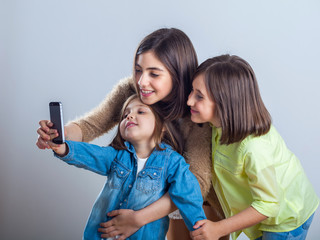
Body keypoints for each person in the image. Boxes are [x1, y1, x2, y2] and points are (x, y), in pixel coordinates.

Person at [36, 28, 228, 240]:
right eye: (138, 70)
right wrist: (58, 135)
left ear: (177, 74)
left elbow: (197, 183)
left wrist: (139, 218)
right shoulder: (131, 92)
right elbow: (90, 125)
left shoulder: (195, 109)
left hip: (192, 203)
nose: (142, 82)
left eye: (154, 74)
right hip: (147, 195)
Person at [187, 54, 319, 240]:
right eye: (192, 91)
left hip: (286, 217)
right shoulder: (217, 125)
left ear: (225, 103)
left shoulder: (254, 147)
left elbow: (269, 204)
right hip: (269, 209)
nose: (189, 101)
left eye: (199, 96)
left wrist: (219, 229)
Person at [49, 94, 207, 240]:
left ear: (163, 125)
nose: (130, 116)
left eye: (141, 112)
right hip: (101, 235)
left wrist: (198, 225)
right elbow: (92, 154)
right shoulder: (116, 156)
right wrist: (63, 149)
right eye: (125, 115)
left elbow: (188, 192)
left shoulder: (172, 162)